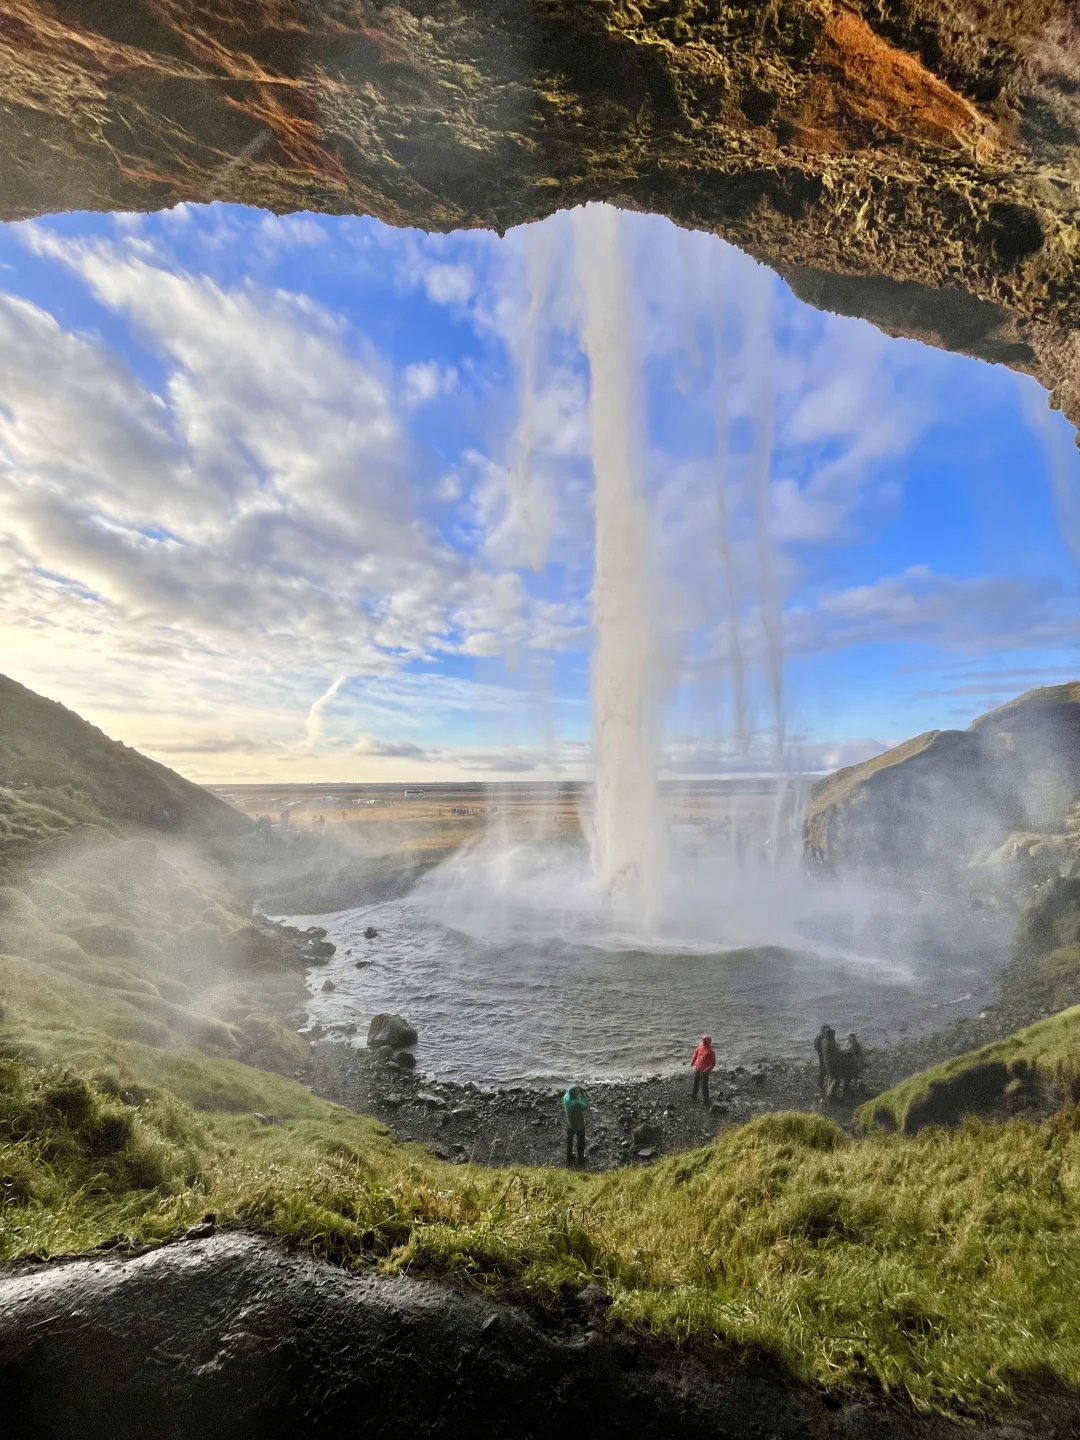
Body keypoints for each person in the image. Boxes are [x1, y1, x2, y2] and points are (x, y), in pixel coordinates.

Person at [562, 1083, 590, 1166]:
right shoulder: (576, 1104)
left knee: (569, 1140)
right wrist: (583, 1095)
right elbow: (585, 1105)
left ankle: (569, 1157)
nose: (578, 1091)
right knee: (581, 1142)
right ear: (574, 1093)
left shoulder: (565, 1098)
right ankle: (580, 1160)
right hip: (579, 1125)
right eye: (576, 1090)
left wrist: (576, 1092)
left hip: (570, 1123)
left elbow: (568, 1094)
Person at [690, 1035, 715, 1105]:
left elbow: (712, 1063)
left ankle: (706, 1099)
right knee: (696, 1083)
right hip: (698, 1067)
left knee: (704, 1085)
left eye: (705, 1041)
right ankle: (694, 1097)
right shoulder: (700, 1046)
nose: (704, 1042)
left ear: (709, 1042)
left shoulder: (711, 1051)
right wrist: (692, 1062)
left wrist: (707, 1069)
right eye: (703, 1040)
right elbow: (695, 1055)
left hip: (705, 1071)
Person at [813, 1024, 834, 1093]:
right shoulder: (820, 1036)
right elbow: (816, 1047)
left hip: (825, 1055)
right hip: (822, 1055)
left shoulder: (824, 1036)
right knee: (823, 1069)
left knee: (825, 1069)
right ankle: (820, 1084)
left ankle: (823, 1083)